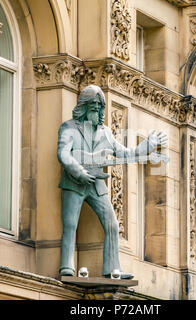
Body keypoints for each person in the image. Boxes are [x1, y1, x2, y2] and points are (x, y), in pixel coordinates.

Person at [57, 85, 168, 279]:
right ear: (84, 107)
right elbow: (63, 154)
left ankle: (111, 269)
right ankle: (67, 266)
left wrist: (148, 145)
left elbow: (126, 154)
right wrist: (79, 171)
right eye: (94, 108)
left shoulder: (106, 132)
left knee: (112, 225)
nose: (99, 113)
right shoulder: (69, 127)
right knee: (70, 224)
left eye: (101, 108)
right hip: (74, 182)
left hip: (96, 185)